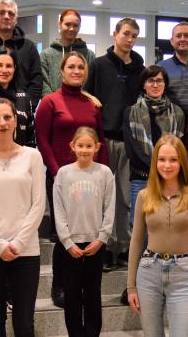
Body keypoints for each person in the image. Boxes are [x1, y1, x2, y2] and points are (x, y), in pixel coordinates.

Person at [36, 51, 109, 308]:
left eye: (80, 67)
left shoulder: (93, 104)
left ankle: (86, 286)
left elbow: (101, 140)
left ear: (85, 72)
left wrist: (104, 174)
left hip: (91, 178)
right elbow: (42, 140)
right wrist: (57, 172)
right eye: (71, 67)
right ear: (62, 71)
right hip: (60, 178)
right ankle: (61, 286)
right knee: (63, 234)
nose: (76, 71)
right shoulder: (50, 102)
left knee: (88, 231)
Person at [0, 97, 45, 337]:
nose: (2, 123)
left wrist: (18, 243)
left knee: (24, 323)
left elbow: (38, 204)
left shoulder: (32, 156)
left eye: (7, 117)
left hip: (26, 251)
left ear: (15, 121)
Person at [127, 134, 188, 337]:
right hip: (149, 272)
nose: (167, 165)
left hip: (183, 273)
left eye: (173, 159)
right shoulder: (144, 196)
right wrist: (131, 287)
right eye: (162, 159)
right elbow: (136, 241)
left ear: (182, 161)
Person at [84, 18, 145, 272]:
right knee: (103, 196)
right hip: (104, 140)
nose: (129, 39)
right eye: (126, 34)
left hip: (128, 140)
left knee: (124, 199)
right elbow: (85, 93)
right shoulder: (98, 65)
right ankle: (106, 247)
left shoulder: (140, 70)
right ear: (115, 34)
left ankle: (122, 246)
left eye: (134, 36)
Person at [53, 126, 116, 337]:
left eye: (89, 146)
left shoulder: (104, 173)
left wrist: (102, 238)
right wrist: (67, 242)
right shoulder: (63, 174)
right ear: (73, 146)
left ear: (97, 147)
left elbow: (109, 208)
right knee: (71, 295)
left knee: (92, 293)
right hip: (70, 245)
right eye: (81, 145)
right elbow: (59, 210)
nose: (85, 150)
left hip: (95, 243)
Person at [124, 64, 185, 229]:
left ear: (165, 84)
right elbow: (132, 150)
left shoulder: (178, 113)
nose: (155, 85)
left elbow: (179, 148)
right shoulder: (131, 111)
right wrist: (156, 167)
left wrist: (164, 169)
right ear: (143, 84)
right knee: (138, 225)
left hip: (169, 178)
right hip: (141, 178)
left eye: (160, 81)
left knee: (166, 224)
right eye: (151, 81)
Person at [40, 9, 96, 96]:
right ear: (59, 24)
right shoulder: (46, 55)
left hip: (82, 105)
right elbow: (43, 84)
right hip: (55, 107)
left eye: (75, 25)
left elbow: (93, 83)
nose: (71, 29)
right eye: (67, 24)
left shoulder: (89, 55)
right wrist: (55, 103)